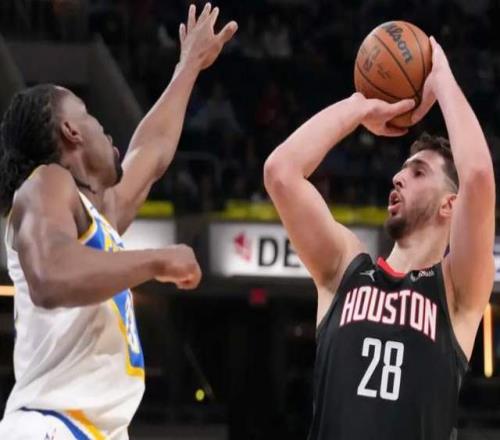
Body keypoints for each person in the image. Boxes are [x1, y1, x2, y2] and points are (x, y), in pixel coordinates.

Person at [0, 3, 237, 439]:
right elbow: (50, 276)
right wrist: (156, 260)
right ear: (71, 131)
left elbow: (152, 151)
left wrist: (188, 67)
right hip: (50, 423)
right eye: (88, 114)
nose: (104, 127)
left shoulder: (98, 216)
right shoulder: (45, 183)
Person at [264, 37, 495, 440]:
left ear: (449, 204)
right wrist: (360, 107)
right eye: (402, 169)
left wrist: (442, 80)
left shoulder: (455, 292)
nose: (398, 177)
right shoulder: (345, 270)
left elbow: (476, 177)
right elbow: (280, 172)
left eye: (418, 172)